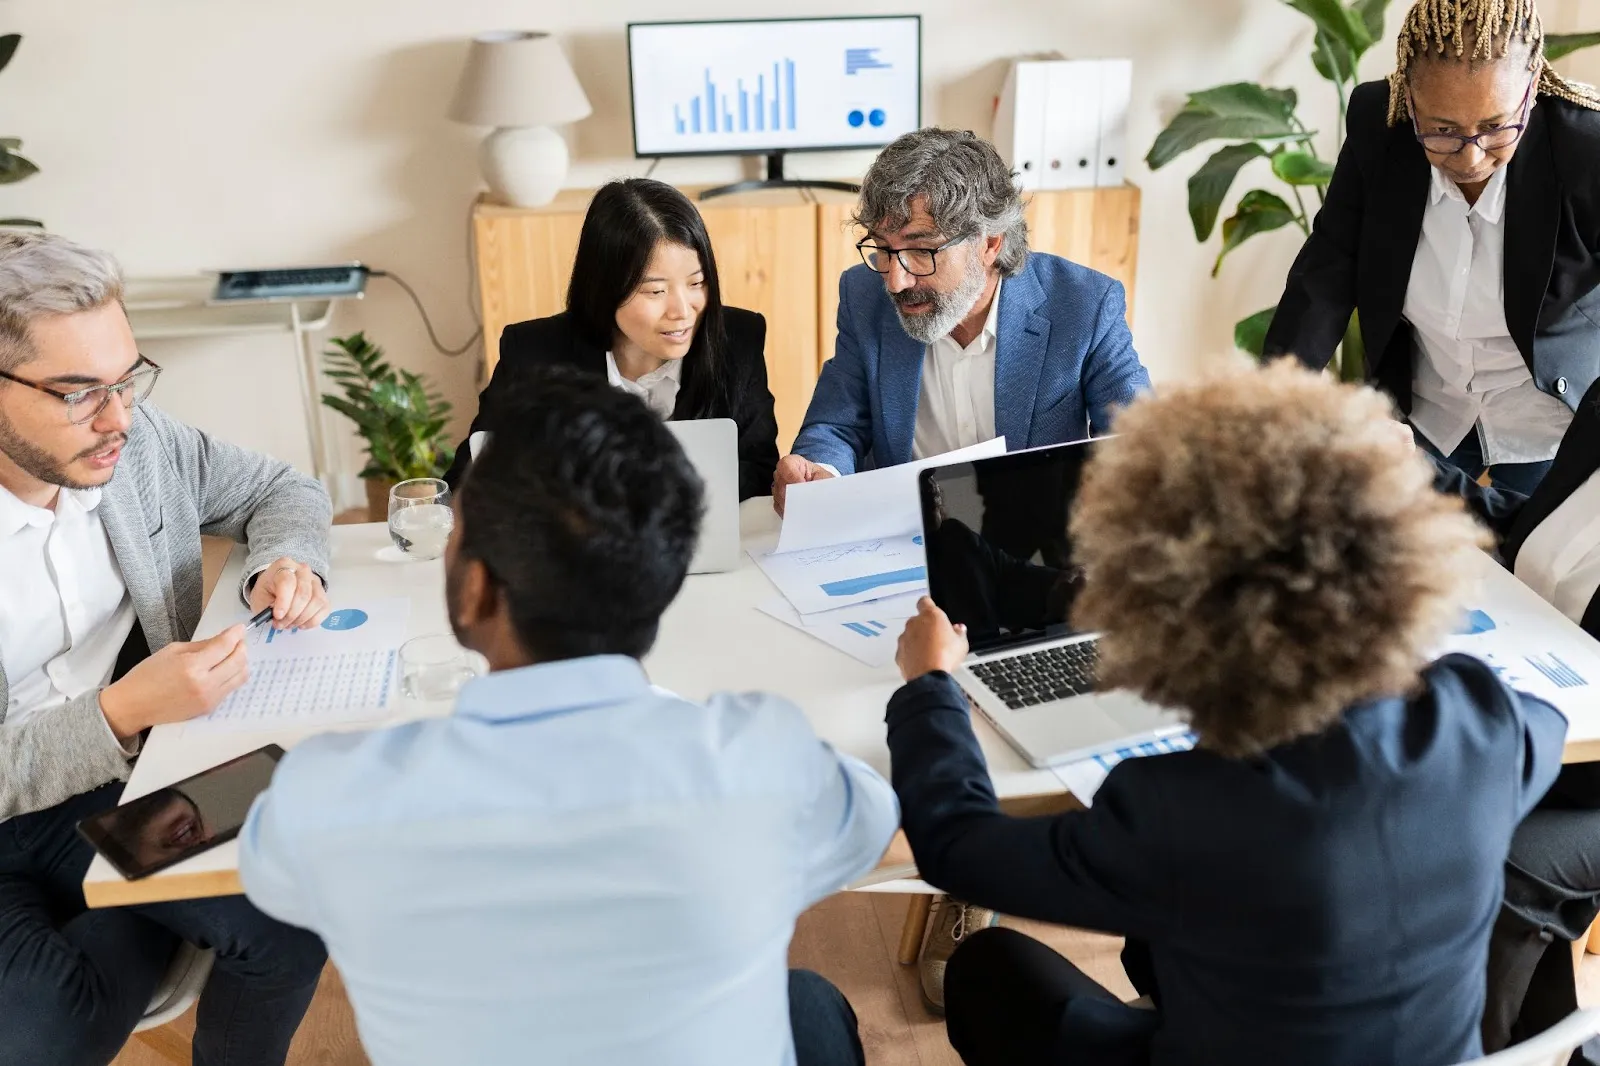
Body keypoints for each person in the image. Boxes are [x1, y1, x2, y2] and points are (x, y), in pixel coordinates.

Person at [886, 359, 1567, 1066]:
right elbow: (1538, 728)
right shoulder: (1482, 723)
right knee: (1173, 938)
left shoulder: (1179, 814)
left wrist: (929, 686)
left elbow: (955, 846)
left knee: (987, 971)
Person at [238, 367, 898, 1066]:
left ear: (475, 587)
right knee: (807, 1002)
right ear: (662, 579)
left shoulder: (329, 796)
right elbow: (872, 819)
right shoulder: (762, 757)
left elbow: (270, 873)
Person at [0, 232, 331, 1066]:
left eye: (127, 379)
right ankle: (141, 902)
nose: (117, 419)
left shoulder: (134, 446)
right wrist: (121, 711)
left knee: (292, 920)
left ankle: (136, 891)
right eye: (79, 393)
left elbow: (278, 488)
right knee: (43, 1037)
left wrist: (285, 559)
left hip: (134, 782)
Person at [1264, 0, 1600, 495]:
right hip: (1428, 407)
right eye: (1442, 129)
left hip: (1549, 419)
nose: (1471, 156)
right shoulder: (1379, 125)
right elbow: (1329, 268)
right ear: (1410, 96)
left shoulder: (1586, 148)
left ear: (1530, 90)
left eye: (1494, 127)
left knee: (1527, 565)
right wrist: (1271, 400)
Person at [772, 128, 1152, 514]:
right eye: (883, 249)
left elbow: (1138, 447)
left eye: (921, 250)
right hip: (904, 539)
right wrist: (819, 474)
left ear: (990, 243)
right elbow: (837, 424)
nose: (895, 279)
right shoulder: (864, 294)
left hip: (1033, 543)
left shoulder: (1083, 304)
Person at [1431, 374, 1600, 1058]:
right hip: (1543, 708)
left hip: (1587, 766)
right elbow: (1533, 526)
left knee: (1500, 862)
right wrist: (1423, 476)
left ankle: (1475, 1049)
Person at [443, 178, 779, 500]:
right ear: (604, 289)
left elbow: (761, 469)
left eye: (696, 283)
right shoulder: (534, 354)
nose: (682, 310)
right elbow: (469, 479)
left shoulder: (739, 339)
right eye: (656, 290)